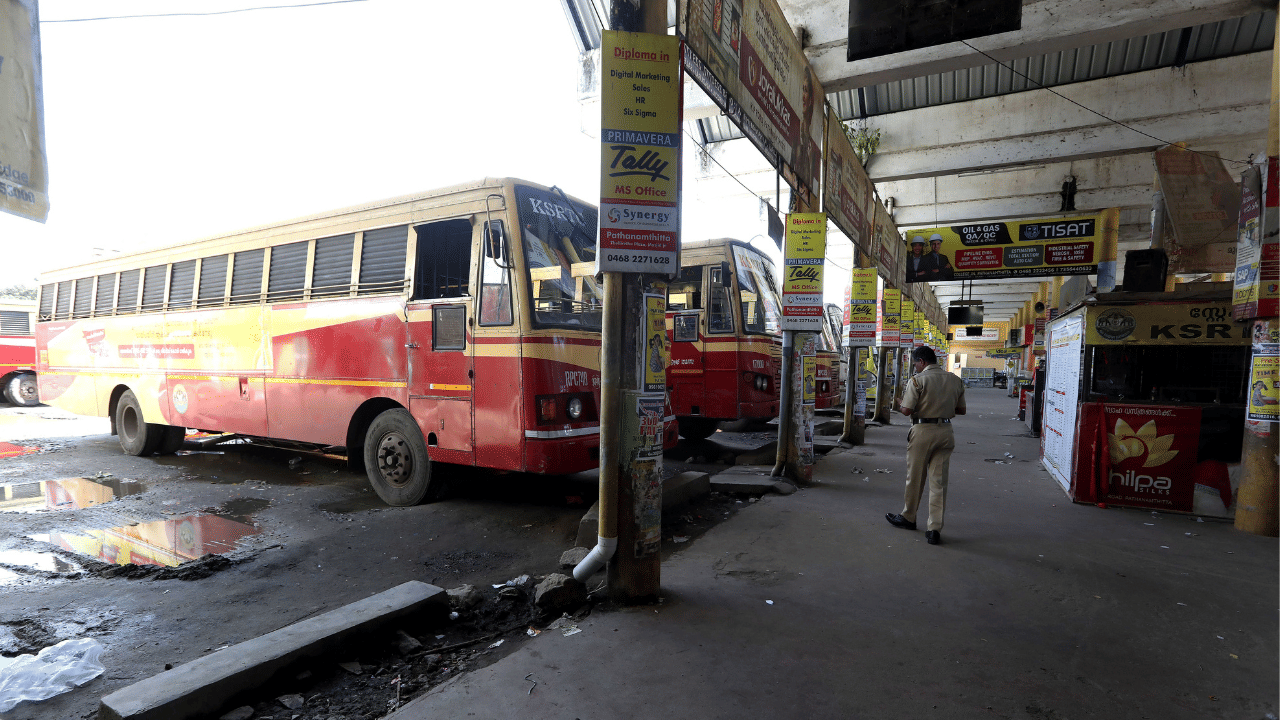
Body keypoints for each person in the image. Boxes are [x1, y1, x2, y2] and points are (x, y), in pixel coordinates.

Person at [885, 345, 966, 545]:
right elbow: (961, 410)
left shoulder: (917, 381)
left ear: (922, 362)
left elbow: (906, 410)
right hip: (946, 433)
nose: (915, 368)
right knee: (938, 482)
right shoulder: (955, 380)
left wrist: (899, 402)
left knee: (915, 477)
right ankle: (934, 529)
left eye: (915, 364)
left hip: (922, 432)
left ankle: (908, 517)